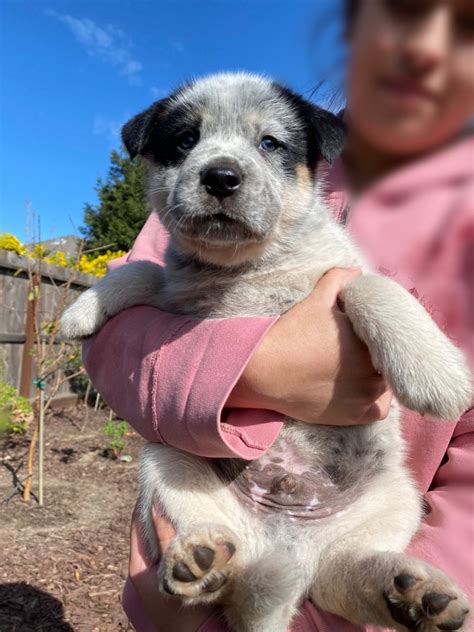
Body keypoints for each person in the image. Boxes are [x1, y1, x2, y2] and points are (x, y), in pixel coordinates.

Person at [83, 0, 474, 630]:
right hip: (218, 514)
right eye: (187, 141)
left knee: (386, 511)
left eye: (269, 143)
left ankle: (354, 578)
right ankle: (226, 563)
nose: (221, 166)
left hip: (358, 504)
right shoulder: (171, 240)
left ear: (311, 167)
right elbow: (110, 340)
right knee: (163, 463)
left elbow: (357, 290)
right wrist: (254, 366)